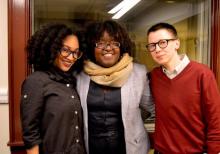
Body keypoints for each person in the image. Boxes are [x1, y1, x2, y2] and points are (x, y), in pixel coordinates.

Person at [76, 20, 154, 154]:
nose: (108, 48)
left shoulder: (138, 73)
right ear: (91, 47)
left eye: (114, 43)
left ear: (122, 46)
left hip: (130, 148)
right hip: (91, 147)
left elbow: (153, 108)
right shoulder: (79, 75)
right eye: (100, 43)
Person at [146, 22, 220, 153]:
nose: (157, 49)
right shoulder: (154, 77)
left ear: (177, 43)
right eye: (152, 45)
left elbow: (215, 120)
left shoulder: (202, 74)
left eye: (162, 42)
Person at [20, 23, 86, 154]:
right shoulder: (36, 81)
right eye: (65, 50)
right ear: (52, 48)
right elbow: (31, 135)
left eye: (75, 52)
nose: (71, 57)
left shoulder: (72, 81)